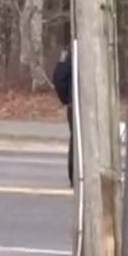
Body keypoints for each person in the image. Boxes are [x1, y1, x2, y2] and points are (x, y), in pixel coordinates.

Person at [51, 45, 74, 187]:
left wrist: (67, 99)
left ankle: (75, 175)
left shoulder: (71, 51)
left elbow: (59, 78)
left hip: (75, 103)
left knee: (77, 140)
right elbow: (59, 78)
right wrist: (66, 99)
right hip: (81, 103)